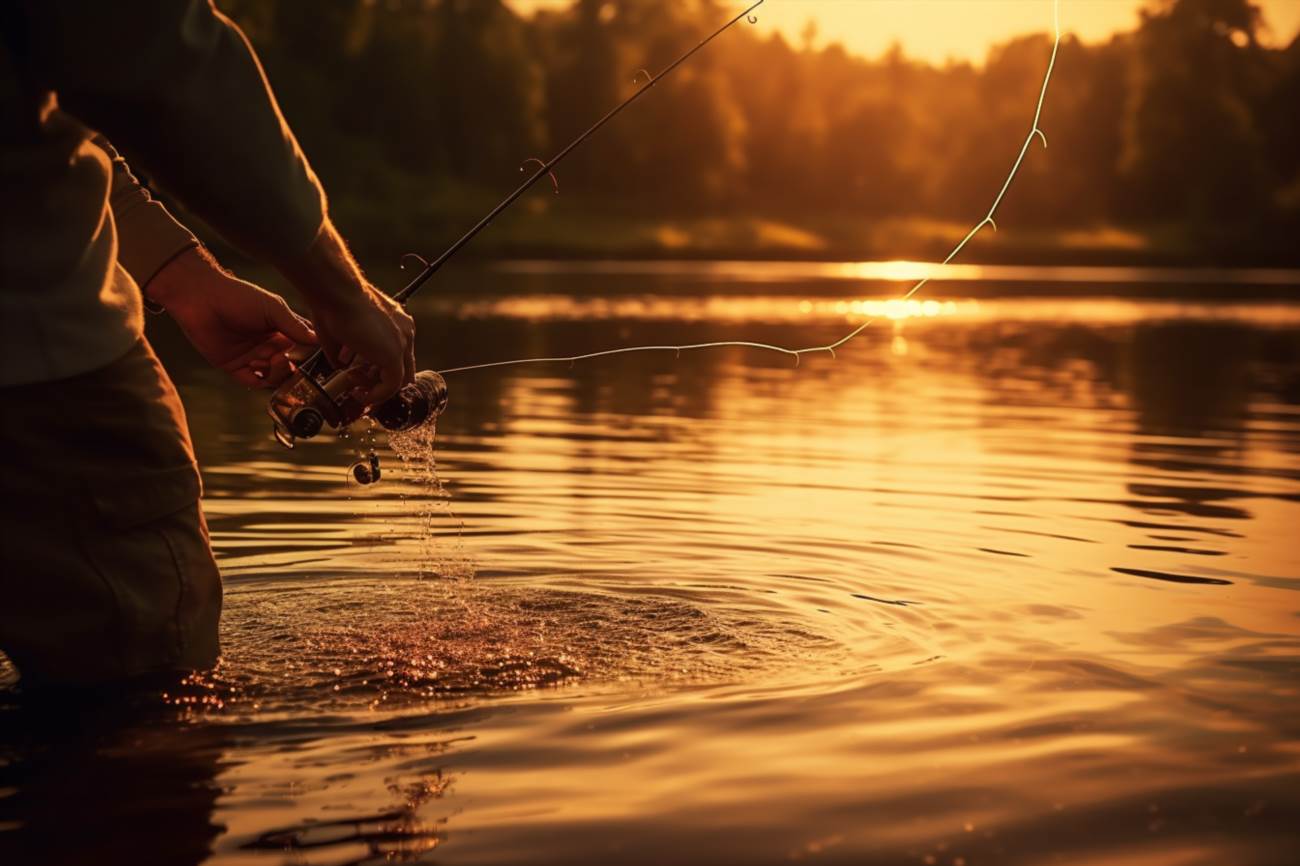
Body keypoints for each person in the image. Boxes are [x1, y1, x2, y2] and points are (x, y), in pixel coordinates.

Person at [0, 1, 415, 686]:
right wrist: (343, 294)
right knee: (149, 702)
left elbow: (55, 85)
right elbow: (156, 57)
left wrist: (183, 276)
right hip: (39, 370)